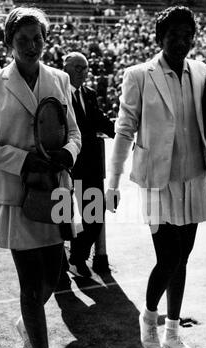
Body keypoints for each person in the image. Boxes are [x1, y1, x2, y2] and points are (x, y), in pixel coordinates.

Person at [0, 7, 81, 348]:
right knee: (31, 285)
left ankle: (26, 323)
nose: (32, 47)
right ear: (8, 43)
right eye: (23, 40)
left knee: (55, 276)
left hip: (56, 191)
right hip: (17, 196)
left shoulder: (61, 79)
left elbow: (74, 134)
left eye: (38, 39)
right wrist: (22, 160)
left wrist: (67, 153)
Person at [106, 6, 206, 348]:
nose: (182, 42)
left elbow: (204, 116)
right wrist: (111, 182)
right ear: (160, 38)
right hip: (158, 181)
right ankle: (149, 314)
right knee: (169, 256)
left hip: (194, 176)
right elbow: (124, 130)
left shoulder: (201, 71)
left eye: (188, 35)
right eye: (174, 35)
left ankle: (173, 333)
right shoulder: (139, 75)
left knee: (183, 257)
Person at [61, 51, 115, 278]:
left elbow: (101, 120)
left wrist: (123, 135)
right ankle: (62, 264)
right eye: (78, 68)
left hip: (90, 166)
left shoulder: (89, 94)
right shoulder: (55, 94)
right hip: (64, 168)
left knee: (94, 217)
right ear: (65, 68)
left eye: (85, 68)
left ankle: (77, 256)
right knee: (62, 218)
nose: (84, 72)